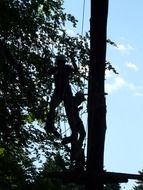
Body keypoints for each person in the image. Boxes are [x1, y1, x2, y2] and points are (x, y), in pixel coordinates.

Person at [45, 54, 78, 138]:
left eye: (61, 62)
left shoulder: (66, 68)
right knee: (52, 107)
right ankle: (50, 125)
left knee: (70, 112)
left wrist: (73, 61)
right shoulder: (55, 69)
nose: (60, 64)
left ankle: (74, 133)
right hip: (58, 91)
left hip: (66, 91)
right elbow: (46, 73)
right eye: (59, 62)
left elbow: (75, 71)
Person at [62, 91, 86, 162]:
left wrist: (78, 109)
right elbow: (71, 109)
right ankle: (76, 150)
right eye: (81, 100)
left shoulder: (73, 103)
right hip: (75, 120)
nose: (81, 102)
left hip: (75, 119)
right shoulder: (72, 101)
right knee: (79, 134)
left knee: (78, 135)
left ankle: (76, 149)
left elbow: (73, 109)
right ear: (78, 98)